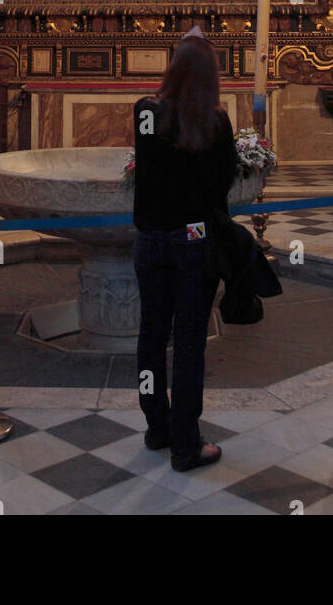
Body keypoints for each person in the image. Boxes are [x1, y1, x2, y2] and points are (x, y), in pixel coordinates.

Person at [132, 29, 237, 471]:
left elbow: (145, 168)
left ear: (172, 69)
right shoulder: (215, 123)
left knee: (152, 336)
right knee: (190, 342)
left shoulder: (144, 113)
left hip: (151, 240)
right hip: (195, 240)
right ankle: (185, 443)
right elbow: (222, 185)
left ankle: (157, 425)